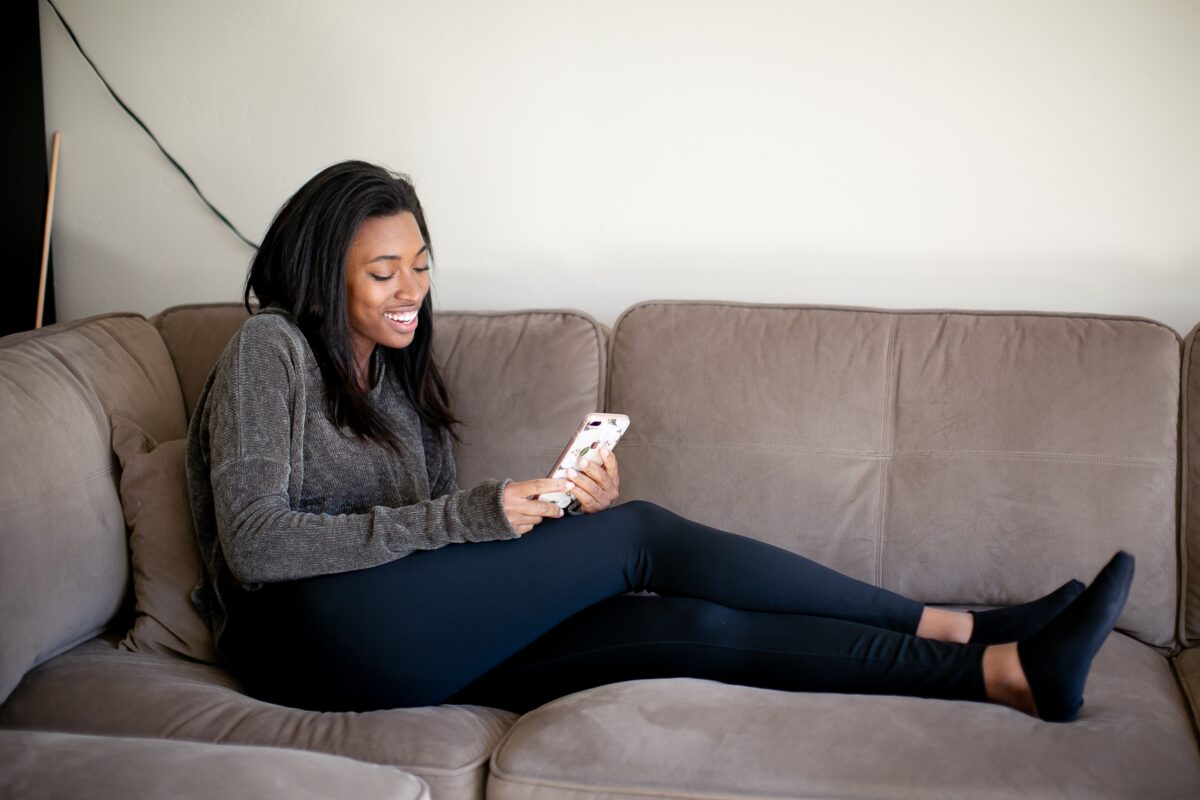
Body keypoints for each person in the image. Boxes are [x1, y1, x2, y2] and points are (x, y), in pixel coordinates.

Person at [186, 160, 1135, 723]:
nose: (411, 291)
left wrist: (535, 514)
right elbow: (258, 542)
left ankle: (1006, 672)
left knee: (687, 628)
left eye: (422, 266)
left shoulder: (396, 379)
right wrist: (478, 513)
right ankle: (961, 621)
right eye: (383, 272)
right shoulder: (271, 348)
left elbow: (422, 535)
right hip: (304, 641)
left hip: (401, 631)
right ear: (322, 273)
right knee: (642, 535)